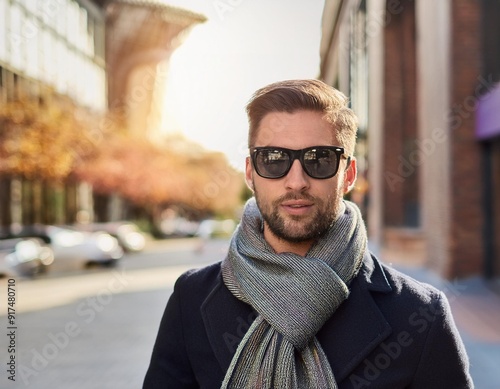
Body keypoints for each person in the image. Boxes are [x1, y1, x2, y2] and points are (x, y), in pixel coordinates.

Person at [143, 79, 473, 388]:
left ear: (348, 175)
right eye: (274, 159)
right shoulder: (192, 298)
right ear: (250, 173)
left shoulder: (419, 315)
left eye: (319, 159)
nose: (296, 181)